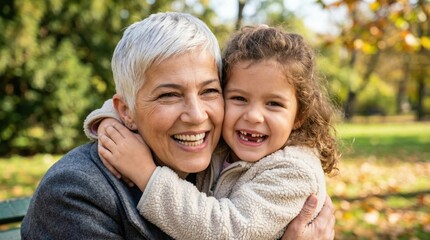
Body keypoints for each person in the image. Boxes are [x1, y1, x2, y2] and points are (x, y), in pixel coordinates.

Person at [21, 12, 334, 239]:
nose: (197, 115)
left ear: (299, 115)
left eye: (209, 91)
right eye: (169, 95)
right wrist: (108, 120)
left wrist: (143, 167)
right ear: (126, 110)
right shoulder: (75, 193)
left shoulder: (215, 158)